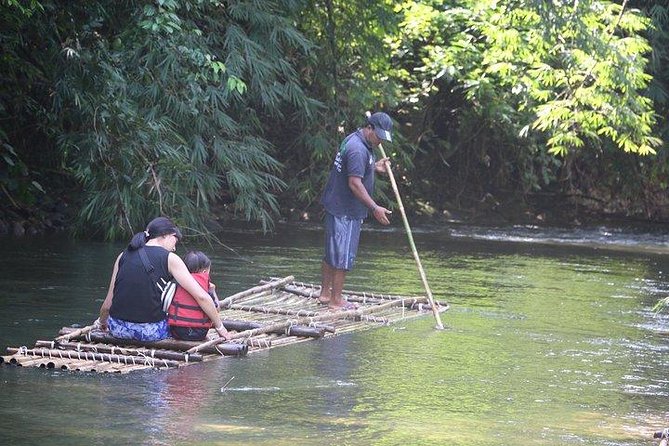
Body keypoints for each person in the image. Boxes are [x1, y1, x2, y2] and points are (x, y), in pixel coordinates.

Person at [97, 217, 230, 342]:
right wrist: (220, 327)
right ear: (166, 235)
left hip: (117, 330)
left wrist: (102, 323)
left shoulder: (123, 255)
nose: (174, 248)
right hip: (149, 333)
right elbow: (201, 297)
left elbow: (108, 304)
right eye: (175, 241)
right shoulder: (170, 258)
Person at [318, 111, 393, 310]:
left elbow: (354, 168)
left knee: (332, 252)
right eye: (378, 136)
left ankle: (325, 294)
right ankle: (336, 300)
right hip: (346, 209)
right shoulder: (358, 149)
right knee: (343, 256)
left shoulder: (356, 140)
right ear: (369, 128)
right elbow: (354, 183)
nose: (380, 142)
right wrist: (375, 208)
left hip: (336, 204)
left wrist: (374, 167)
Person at [167, 251, 222, 341]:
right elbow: (216, 310)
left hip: (176, 331)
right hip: (199, 333)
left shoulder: (177, 281)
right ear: (205, 271)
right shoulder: (205, 285)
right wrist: (213, 290)